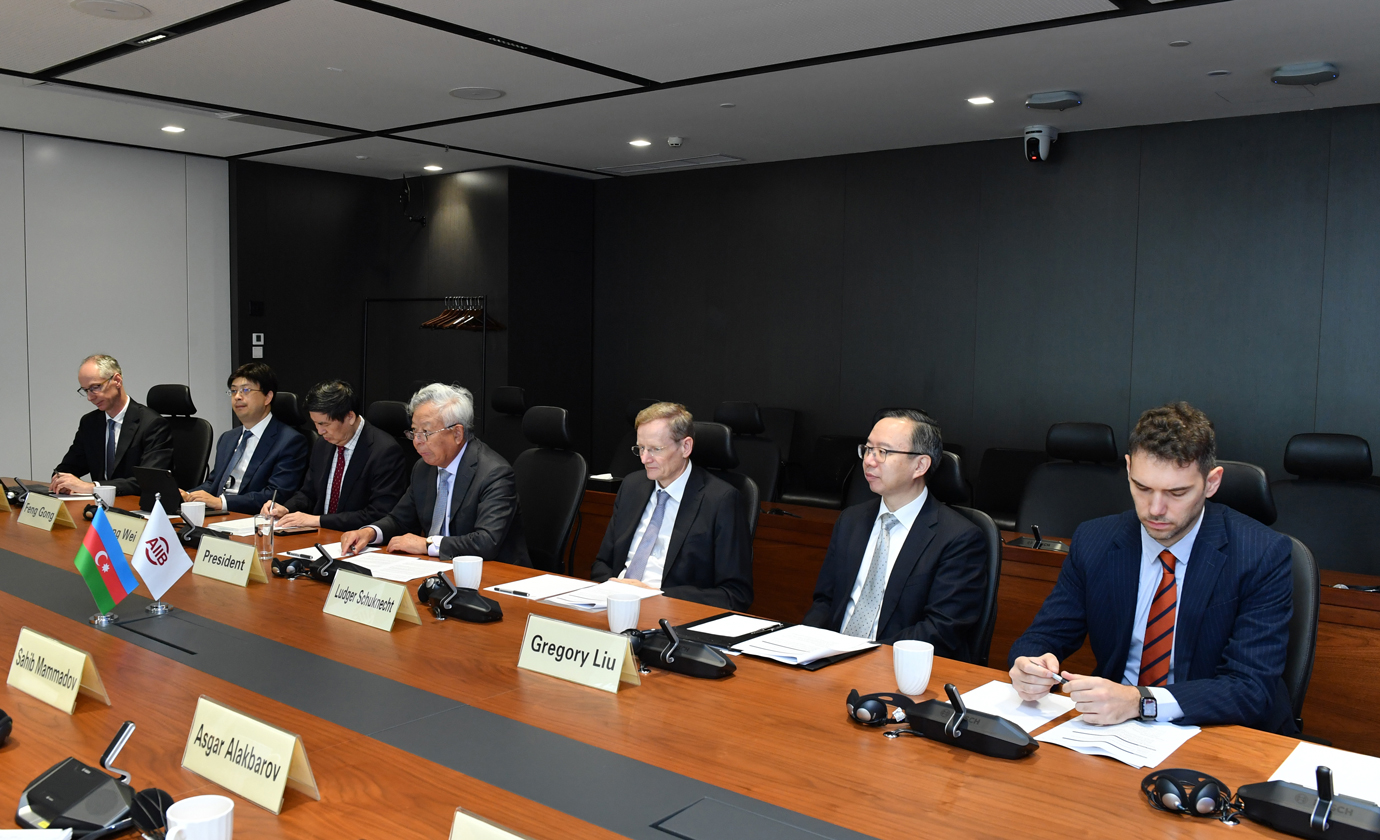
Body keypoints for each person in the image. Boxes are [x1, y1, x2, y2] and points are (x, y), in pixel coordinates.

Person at [1009, 402, 1295, 733]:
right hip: (1115, 731)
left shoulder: (1261, 554)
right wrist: (1030, 665)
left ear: (1212, 482)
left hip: (1219, 731)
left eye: (1177, 492)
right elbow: (1043, 636)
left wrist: (1140, 701)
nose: (1155, 509)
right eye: (1142, 488)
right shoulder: (1095, 540)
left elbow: (1250, 690)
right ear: (1129, 468)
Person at [803, 409, 986, 658]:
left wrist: (861, 657)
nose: (869, 461)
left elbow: (941, 629)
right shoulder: (851, 520)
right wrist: (804, 643)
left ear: (920, 465)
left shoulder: (959, 538)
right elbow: (825, 601)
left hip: (895, 666)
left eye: (883, 451)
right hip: (830, 659)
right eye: (868, 449)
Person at [339, 383, 528, 565]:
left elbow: (486, 542)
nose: (417, 441)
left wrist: (427, 545)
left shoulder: (494, 474)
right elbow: (400, 520)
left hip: (496, 574)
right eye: (414, 431)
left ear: (457, 434)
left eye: (426, 432)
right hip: (438, 567)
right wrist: (370, 532)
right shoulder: (423, 468)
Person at [590, 402, 752, 610]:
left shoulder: (721, 500)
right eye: (641, 448)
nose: (644, 459)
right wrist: (613, 589)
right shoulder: (632, 486)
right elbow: (602, 563)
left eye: (655, 449)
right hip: (614, 604)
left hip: (670, 612)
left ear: (686, 447)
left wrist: (656, 596)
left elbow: (735, 594)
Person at [260, 380, 408, 532]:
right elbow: (309, 493)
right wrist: (286, 509)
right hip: (319, 536)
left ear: (350, 417)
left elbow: (379, 514)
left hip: (357, 538)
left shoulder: (384, 451)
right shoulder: (323, 444)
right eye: (315, 423)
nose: (320, 431)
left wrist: (318, 520)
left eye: (324, 424)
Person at [183, 363, 307, 514]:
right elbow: (214, 483)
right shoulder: (228, 438)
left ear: (267, 397)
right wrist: (188, 496)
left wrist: (222, 503)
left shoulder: (289, 441)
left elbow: (276, 494)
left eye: (246, 390)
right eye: (233, 391)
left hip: (251, 518)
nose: (237, 397)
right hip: (218, 515)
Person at [51, 354, 173, 497]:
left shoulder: (152, 424)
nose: (90, 397)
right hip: (100, 505)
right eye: (85, 390)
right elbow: (68, 467)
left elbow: (149, 481)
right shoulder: (90, 423)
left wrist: (93, 487)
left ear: (117, 380)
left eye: (95, 387)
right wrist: (61, 480)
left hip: (135, 504)